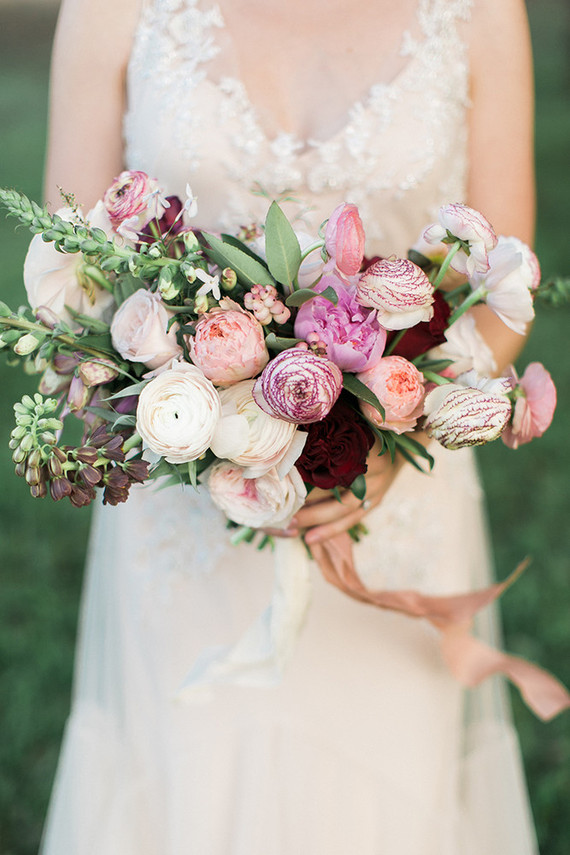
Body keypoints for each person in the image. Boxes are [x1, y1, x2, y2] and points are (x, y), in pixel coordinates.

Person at [40, 0, 540, 852]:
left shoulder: (482, 11)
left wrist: (396, 439)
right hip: (184, 521)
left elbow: (505, 281)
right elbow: (69, 278)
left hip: (394, 507)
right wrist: (194, 432)